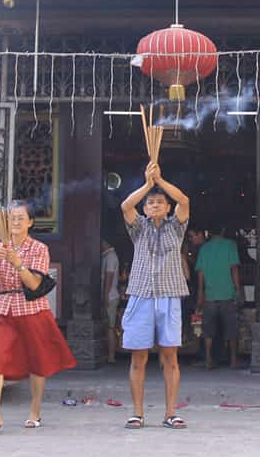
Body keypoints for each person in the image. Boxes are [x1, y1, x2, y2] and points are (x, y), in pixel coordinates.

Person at [0, 200, 76, 433]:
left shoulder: (38, 248)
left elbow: (34, 283)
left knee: (37, 361)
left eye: (21, 218)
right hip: (4, 306)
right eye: (11, 218)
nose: (15, 222)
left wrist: (17, 263)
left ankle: (35, 410)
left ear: (30, 222)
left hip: (31, 307)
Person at [120, 161, 191, 429]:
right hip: (140, 295)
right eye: (151, 203)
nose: (156, 206)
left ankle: (170, 412)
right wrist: (148, 185)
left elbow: (184, 200)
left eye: (160, 202)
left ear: (167, 207)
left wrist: (160, 182)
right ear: (145, 208)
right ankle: (137, 412)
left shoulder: (177, 227)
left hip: (169, 296)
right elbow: (126, 206)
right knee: (138, 356)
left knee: (170, 356)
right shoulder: (138, 228)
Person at [195, 225, 242, 370]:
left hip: (210, 296)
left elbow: (200, 273)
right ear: (223, 230)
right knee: (231, 329)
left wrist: (201, 292)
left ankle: (208, 359)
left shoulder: (204, 249)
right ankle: (233, 360)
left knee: (208, 330)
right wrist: (238, 289)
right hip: (227, 294)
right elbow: (234, 269)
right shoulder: (230, 245)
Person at [102, 239, 121, 364]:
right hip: (111, 294)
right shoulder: (107, 256)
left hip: (111, 295)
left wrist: (105, 295)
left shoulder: (111, 257)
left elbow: (109, 276)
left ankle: (111, 356)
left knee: (110, 326)